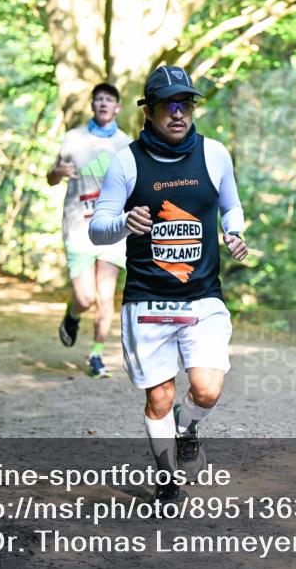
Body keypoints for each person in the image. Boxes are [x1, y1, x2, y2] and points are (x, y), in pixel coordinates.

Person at [90, 65, 248, 506]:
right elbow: (98, 228)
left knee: (207, 389)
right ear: (150, 112)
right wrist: (124, 222)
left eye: (186, 105)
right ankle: (166, 479)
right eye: (168, 106)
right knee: (159, 396)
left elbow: (231, 207)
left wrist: (234, 232)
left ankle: (188, 426)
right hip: (147, 299)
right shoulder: (126, 161)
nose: (178, 114)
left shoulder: (215, 154)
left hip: (203, 297)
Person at [48, 83, 132, 377]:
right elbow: (51, 178)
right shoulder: (74, 139)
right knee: (85, 298)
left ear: (117, 107)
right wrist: (57, 173)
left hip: (112, 229)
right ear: (93, 106)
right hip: (78, 226)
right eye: (99, 99)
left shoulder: (126, 143)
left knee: (106, 296)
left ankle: (97, 355)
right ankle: (72, 315)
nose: (104, 103)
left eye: (109, 99)